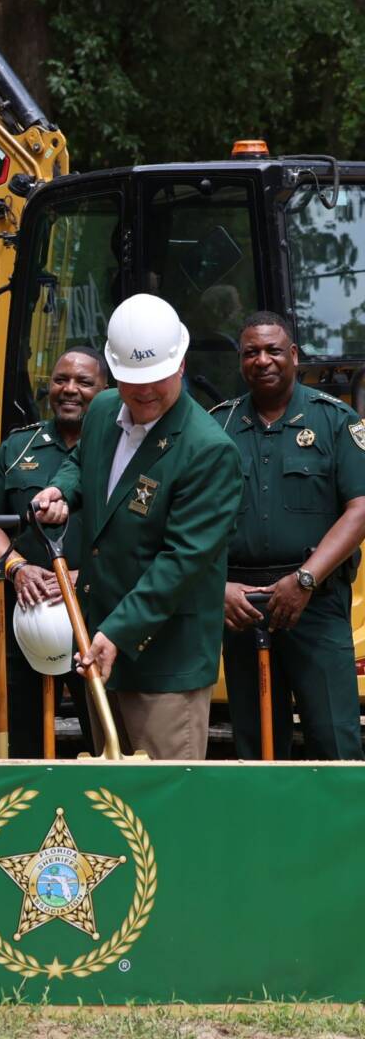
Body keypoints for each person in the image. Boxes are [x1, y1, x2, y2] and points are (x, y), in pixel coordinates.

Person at [31, 293, 243, 759]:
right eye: (131, 381)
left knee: (164, 811)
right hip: (101, 642)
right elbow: (81, 460)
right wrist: (63, 490)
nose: (143, 392)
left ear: (181, 364)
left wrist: (118, 633)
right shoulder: (105, 409)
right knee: (109, 805)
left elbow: (181, 564)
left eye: (155, 381)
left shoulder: (209, 452)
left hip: (164, 662)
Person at [210, 313, 365, 759]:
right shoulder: (215, 427)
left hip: (313, 601)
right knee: (256, 750)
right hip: (240, 606)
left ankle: (339, 832)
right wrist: (217, 587)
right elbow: (188, 516)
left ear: (294, 355)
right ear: (241, 361)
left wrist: (304, 580)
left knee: (335, 743)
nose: (263, 361)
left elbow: (359, 509)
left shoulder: (335, 421)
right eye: (251, 353)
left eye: (273, 350)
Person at [0, 345, 107, 756]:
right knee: (18, 741)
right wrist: (16, 568)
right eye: (61, 379)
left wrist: (88, 578)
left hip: (97, 616)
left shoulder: (119, 450)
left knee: (105, 736)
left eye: (84, 382)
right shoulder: (16, 450)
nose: (70, 389)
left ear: (105, 390)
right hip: (24, 618)